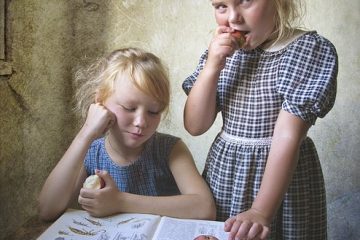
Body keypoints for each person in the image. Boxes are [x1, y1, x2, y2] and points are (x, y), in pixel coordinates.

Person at [182, 0, 337, 239]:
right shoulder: (222, 53)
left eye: (245, 1)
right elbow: (195, 125)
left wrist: (260, 211)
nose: (233, 17)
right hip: (225, 174)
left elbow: (287, 136)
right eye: (221, 6)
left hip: (279, 184)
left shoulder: (306, 50)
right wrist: (212, 67)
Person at [38, 47, 216, 222]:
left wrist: (121, 201)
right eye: (129, 108)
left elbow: (205, 208)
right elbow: (47, 210)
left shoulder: (170, 149)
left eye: (153, 111)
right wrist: (85, 133)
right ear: (100, 101)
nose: (141, 122)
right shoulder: (91, 152)